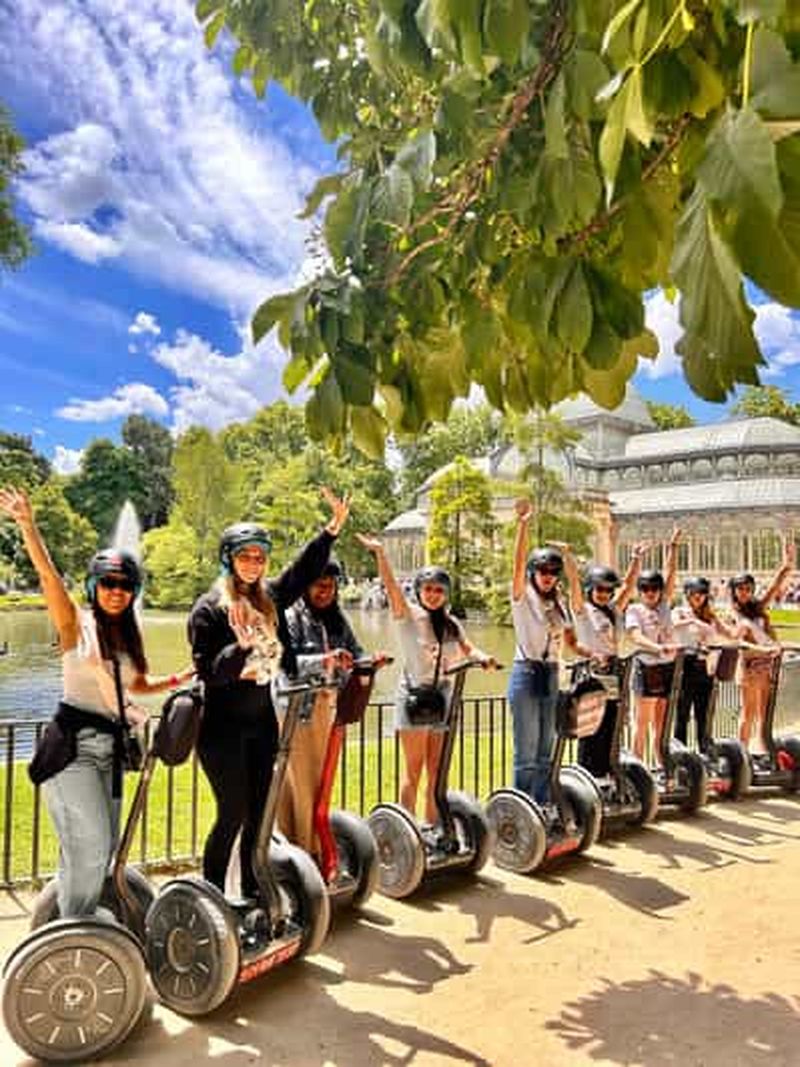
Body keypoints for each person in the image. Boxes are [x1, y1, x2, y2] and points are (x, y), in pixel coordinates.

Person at [0, 485, 193, 918]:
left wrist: (179, 678)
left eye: (125, 585)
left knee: (102, 847)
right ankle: (74, 935)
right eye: (108, 583)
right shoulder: (75, 625)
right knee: (87, 850)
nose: (116, 591)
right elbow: (49, 578)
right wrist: (28, 525)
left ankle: (73, 920)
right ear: (94, 585)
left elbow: (135, 686)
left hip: (111, 751)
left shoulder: (127, 637)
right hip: (74, 749)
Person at [188, 488, 349, 897]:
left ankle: (253, 893)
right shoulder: (208, 609)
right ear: (229, 558)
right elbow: (209, 671)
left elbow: (302, 570)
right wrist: (241, 647)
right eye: (245, 555)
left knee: (260, 816)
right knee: (233, 813)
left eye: (259, 556)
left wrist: (330, 530)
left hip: (261, 723)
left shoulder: (271, 600)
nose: (253, 563)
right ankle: (211, 898)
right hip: (221, 729)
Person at [356, 534, 495, 826]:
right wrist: (380, 554)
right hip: (414, 697)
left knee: (436, 771)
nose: (433, 594)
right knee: (413, 771)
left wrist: (484, 659)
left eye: (439, 590)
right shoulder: (409, 615)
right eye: (428, 589)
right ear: (419, 591)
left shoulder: (451, 623)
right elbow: (392, 588)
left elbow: (469, 649)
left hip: (441, 695)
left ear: (446, 594)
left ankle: (432, 827)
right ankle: (406, 831)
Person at [279, 559, 369, 855]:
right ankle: (305, 850)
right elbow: (285, 663)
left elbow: (356, 653)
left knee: (320, 783)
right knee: (302, 784)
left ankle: (314, 846)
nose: (325, 592)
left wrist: (369, 662)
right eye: (319, 585)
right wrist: (325, 659)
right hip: (298, 710)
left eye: (330, 586)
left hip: (329, 709)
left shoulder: (337, 618)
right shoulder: (290, 617)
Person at [508, 501, 588, 805]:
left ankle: (543, 805)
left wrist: (588, 653)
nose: (548, 576)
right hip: (527, 672)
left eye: (554, 572)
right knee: (526, 752)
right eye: (542, 571)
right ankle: (522, 807)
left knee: (546, 749)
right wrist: (523, 525)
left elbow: (571, 639)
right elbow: (516, 568)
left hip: (552, 673)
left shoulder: (558, 603)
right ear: (533, 572)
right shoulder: (522, 597)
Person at [562, 544, 646, 778]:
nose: (604, 594)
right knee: (590, 727)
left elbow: (628, 586)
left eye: (608, 591)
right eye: (599, 590)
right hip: (592, 673)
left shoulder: (615, 610)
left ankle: (608, 771)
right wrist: (568, 556)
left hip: (613, 674)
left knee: (611, 723)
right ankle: (588, 774)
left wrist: (635, 559)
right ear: (591, 589)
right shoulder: (583, 610)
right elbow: (574, 584)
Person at [727, 538, 795, 751]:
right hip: (749, 666)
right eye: (740, 589)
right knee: (748, 713)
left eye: (748, 588)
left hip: (766, 665)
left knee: (765, 712)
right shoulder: (732, 612)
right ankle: (742, 754)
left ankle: (764, 750)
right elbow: (738, 638)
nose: (744, 592)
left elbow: (775, 586)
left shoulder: (758, 607)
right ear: (734, 591)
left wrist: (787, 563)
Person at [624, 528, 682, 763]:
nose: (650, 593)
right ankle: (638, 768)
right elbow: (635, 636)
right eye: (645, 589)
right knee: (642, 722)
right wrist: (657, 648)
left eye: (654, 589)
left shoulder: (664, 605)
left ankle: (661, 764)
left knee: (661, 722)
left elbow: (670, 574)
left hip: (666, 667)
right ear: (640, 592)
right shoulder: (634, 610)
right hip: (647, 667)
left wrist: (673, 546)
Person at [671, 576, 738, 751]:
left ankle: (704, 751)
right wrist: (694, 621)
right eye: (695, 593)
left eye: (702, 593)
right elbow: (673, 625)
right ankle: (681, 753)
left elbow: (730, 634)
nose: (698, 597)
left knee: (704, 713)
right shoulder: (680, 611)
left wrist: (736, 619)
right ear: (687, 594)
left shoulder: (710, 616)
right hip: (685, 665)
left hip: (705, 666)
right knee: (682, 714)